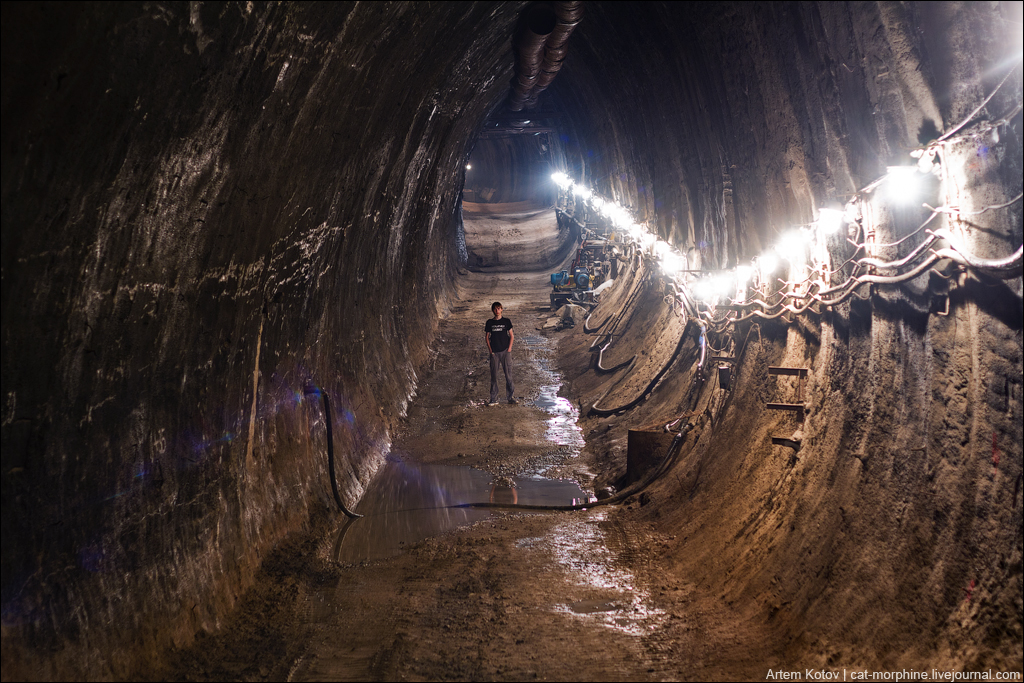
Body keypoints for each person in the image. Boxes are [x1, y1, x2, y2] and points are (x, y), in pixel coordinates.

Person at [484, 301, 516, 404]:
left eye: (499, 308)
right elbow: (487, 337)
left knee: (508, 376)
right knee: (494, 376)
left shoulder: (506, 321)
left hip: (505, 352)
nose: (497, 311)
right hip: (494, 353)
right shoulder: (489, 322)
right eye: (495, 309)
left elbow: (511, 335)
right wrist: (491, 351)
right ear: (492, 310)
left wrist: (509, 349)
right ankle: (493, 399)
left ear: (502, 309)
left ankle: (510, 397)